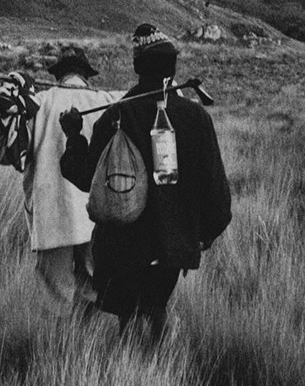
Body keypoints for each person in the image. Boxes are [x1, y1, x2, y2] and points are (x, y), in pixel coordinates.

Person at [58, 24, 231, 344]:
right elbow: (218, 195)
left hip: (122, 246)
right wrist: (201, 237)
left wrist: (73, 135)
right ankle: (155, 373)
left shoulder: (115, 116)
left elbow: (84, 177)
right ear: (173, 67)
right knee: (156, 306)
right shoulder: (197, 119)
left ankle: (131, 373)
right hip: (173, 246)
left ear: (138, 67)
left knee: (129, 315)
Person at [0, 46, 117, 316]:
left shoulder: (36, 104)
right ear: (87, 76)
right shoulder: (106, 102)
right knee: (95, 288)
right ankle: (93, 351)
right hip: (97, 215)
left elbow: (4, 153)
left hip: (52, 214)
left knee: (54, 296)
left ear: (57, 76)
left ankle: (57, 350)